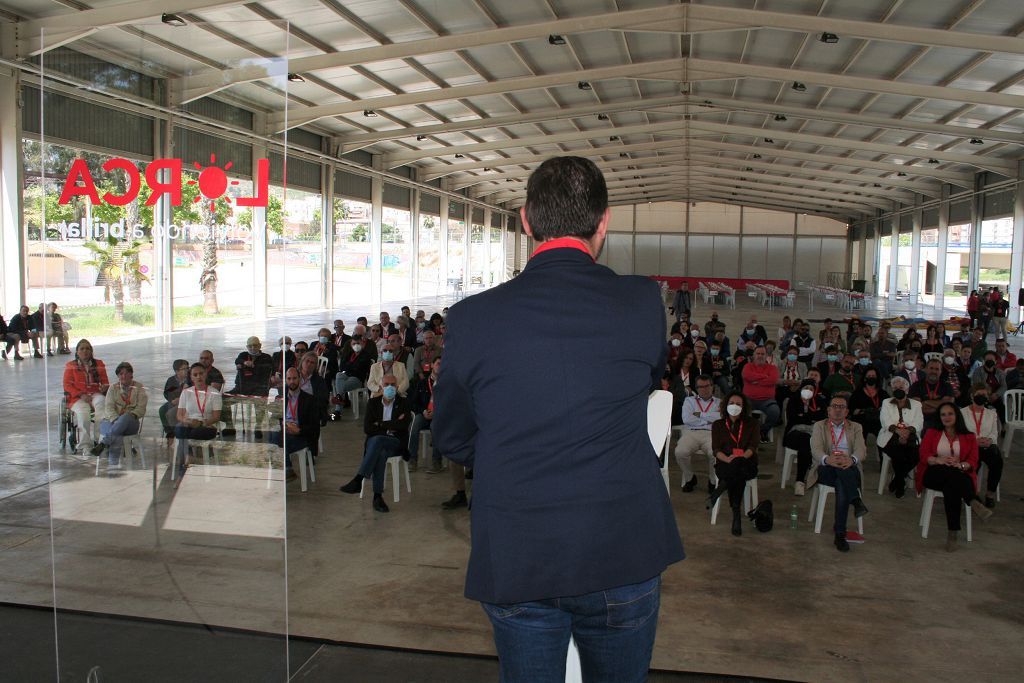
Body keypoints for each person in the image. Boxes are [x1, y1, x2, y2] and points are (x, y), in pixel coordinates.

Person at [432, 156, 683, 682]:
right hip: (622, 548)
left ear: (526, 220)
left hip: (519, 552)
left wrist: (514, 455)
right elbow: (650, 385)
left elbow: (453, 435)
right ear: (603, 222)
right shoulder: (641, 301)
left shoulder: (473, 317)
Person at [916, 401, 993, 551]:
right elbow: (923, 455)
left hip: (958, 473)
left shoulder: (969, 436)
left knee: (952, 486)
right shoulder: (932, 432)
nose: (946, 417)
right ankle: (973, 500)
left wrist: (961, 465)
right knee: (950, 474)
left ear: (957, 415)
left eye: (950, 413)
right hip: (934, 473)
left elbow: (973, 461)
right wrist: (938, 460)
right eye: (943, 414)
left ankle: (953, 533)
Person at [338, 374, 411, 513]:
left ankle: (358, 479)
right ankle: (377, 497)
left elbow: (403, 425)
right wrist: (390, 426)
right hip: (377, 443)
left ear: (397, 387)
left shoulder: (403, 403)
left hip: (395, 442)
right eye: (386, 384)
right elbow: (368, 428)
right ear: (381, 387)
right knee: (380, 452)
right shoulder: (373, 403)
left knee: (378, 440)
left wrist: (381, 424)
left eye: (393, 385)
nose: (390, 387)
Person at [809, 394, 869, 552]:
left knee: (842, 481)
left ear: (847, 412)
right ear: (828, 410)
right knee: (842, 478)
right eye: (834, 406)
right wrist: (827, 459)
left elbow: (861, 450)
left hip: (849, 466)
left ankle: (840, 533)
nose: (837, 410)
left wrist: (852, 460)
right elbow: (815, 449)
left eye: (841, 407)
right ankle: (855, 503)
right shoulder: (819, 426)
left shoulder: (855, 427)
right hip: (826, 467)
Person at [708, 392, 760, 536]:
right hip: (725, 464)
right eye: (732, 403)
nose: (734, 406)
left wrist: (740, 458)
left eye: (738, 404)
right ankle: (736, 513)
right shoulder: (718, 425)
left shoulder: (752, 424)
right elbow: (716, 449)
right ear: (726, 405)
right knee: (737, 473)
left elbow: (752, 446)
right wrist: (728, 459)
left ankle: (721, 488)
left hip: (747, 462)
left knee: (739, 467)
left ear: (743, 408)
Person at [91, 362, 148, 468]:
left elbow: (141, 408)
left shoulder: (139, 388)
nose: (124, 376)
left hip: (131, 422)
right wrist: (117, 420)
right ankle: (113, 467)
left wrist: (124, 419)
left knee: (125, 417)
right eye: (121, 374)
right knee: (117, 433)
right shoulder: (113, 388)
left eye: (126, 373)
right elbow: (108, 407)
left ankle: (105, 444)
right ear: (118, 376)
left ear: (131, 374)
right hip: (110, 421)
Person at [268, 367, 319, 478]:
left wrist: (299, 430)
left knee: (277, 439)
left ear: (299, 379)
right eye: (289, 378)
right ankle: (286, 469)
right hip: (285, 432)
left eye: (294, 378)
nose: (292, 381)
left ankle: (282, 469)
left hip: (301, 436)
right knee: (275, 433)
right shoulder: (281, 399)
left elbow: (315, 427)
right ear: (285, 380)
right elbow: (274, 419)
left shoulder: (309, 400)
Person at [878, 377, 923, 497]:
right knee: (898, 452)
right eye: (895, 388)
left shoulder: (916, 404)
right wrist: (898, 431)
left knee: (916, 455)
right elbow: (885, 421)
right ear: (892, 389)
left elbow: (919, 422)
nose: (898, 390)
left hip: (911, 436)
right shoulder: (886, 402)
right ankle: (900, 483)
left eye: (901, 387)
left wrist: (907, 432)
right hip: (890, 436)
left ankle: (897, 480)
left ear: (907, 389)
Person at [174, 363, 222, 476]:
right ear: (191, 377)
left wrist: (202, 423)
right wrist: (188, 421)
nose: (198, 377)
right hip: (190, 423)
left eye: (201, 373)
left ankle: (186, 461)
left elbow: (216, 417)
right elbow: (179, 415)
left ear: (206, 374)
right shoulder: (186, 393)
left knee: (192, 432)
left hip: (207, 425)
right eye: (195, 375)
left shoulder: (214, 393)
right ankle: (188, 457)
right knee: (179, 428)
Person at [675, 375, 720, 493]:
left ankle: (712, 481)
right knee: (680, 452)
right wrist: (709, 419)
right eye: (700, 387)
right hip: (691, 432)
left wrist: (698, 414)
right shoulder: (689, 401)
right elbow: (687, 419)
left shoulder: (719, 403)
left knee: (715, 454)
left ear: (712, 387)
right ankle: (690, 478)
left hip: (712, 433)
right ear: (697, 388)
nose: (704, 389)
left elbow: (720, 418)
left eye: (707, 386)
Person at [222, 336, 274, 437]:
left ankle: (258, 427)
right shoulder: (243, 355)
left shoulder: (266, 357)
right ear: (247, 346)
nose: (253, 348)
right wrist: (244, 363)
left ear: (259, 345)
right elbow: (237, 360)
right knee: (223, 398)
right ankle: (230, 426)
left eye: (255, 345)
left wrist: (254, 366)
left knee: (260, 401)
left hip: (259, 388)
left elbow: (267, 368)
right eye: (250, 346)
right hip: (241, 388)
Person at [62, 339, 109, 449]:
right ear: (77, 352)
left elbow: (105, 382)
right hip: (77, 397)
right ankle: (85, 445)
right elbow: (67, 385)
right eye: (82, 349)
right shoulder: (71, 365)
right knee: (84, 414)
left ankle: (100, 440)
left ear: (91, 351)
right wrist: (81, 395)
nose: (85, 351)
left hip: (95, 394)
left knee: (101, 406)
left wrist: (104, 387)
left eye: (87, 348)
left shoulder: (99, 364)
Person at [783, 379, 827, 495]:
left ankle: (807, 477)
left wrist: (804, 416)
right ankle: (800, 481)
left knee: (810, 442)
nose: (808, 391)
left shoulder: (819, 401)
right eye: (806, 388)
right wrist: (811, 417)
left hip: (814, 433)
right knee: (805, 440)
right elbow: (793, 418)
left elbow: (823, 418)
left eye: (811, 389)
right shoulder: (793, 400)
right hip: (794, 433)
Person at [961, 384, 1002, 509]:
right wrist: (975, 441)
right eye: (979, 394)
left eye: (985, 395)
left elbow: (995, 432)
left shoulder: (992, 413)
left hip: (987, 445)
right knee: (974, 463)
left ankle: (990, 494)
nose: (982, 397)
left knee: (997, 463)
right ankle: (973, 494)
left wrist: (989, 440)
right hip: (970, 446)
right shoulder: (962, 412)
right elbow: (961, 433)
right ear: (972, 395)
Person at [409, 356, 441, 473]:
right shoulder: (422, 383)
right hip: (423, 413)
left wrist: (436, 412)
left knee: (436, 427)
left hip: (439, 416)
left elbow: (450, 404)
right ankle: (412, 459)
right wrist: (422, 411)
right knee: (414, 426)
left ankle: (437, 461)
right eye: (438, 363)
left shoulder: (447, 384)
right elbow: (413, 402)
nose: (440, 366)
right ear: (432, 365)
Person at [741, 346, 780, 441]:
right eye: (758, 353)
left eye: (762, 354)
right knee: (739, 410)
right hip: (748, 399)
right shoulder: (748, 366)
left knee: (775, 412)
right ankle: (745, 433)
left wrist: (755, 381)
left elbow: (773, 380)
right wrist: (764, 377)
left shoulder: (773, 368)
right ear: (754, 355)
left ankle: (761, 430)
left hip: (767, 401)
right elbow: (746, 375)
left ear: (766, 355)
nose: (760, 356)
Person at [848, 367, 887, 450]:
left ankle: (882, 458)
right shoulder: (857, 393)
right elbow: (851, 410)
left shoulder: (883, 393)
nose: (871, 377)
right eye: (869, 375)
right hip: (861, 420)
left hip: (878, 421)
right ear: (865, 378)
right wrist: (864, 411)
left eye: (873, 375)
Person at [969, 351, 1007, 425]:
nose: (989, 361)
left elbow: (1004, 386)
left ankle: (1003, 426)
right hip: (982, 395)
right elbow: (978, 385)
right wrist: (988, 395)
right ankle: (982, 425)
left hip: (996, 396)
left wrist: (996, 394)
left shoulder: (1000, 372)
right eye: (987, 359)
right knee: (983, 406)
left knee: (1002, 408)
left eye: (991, 359)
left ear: (995, 361)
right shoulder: (978, 371)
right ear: (983, 361)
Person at [159, 359, 190, 440]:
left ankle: (177, 432)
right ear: (176, 371)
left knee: (171, 413)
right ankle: (169, 431)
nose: (187, 370)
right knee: (162, 410)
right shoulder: (171, 380)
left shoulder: (190, 379)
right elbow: (166, 393)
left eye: (187, 368)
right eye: (184, 369)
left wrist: (181, 400)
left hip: (186, 403)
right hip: (174, 402)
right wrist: (172, 400)